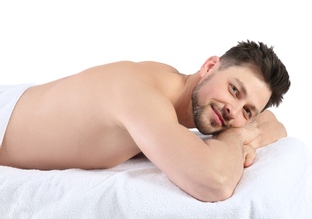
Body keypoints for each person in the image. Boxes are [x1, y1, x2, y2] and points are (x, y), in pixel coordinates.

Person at [0, 40, 290, 202]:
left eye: (247, 112)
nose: (233, 112)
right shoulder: (143, 97)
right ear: (210, 66)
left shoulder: (173, 87)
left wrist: (251, 129)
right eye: (234, 90)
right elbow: (215, 182)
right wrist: (239, 137)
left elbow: (275, 123)